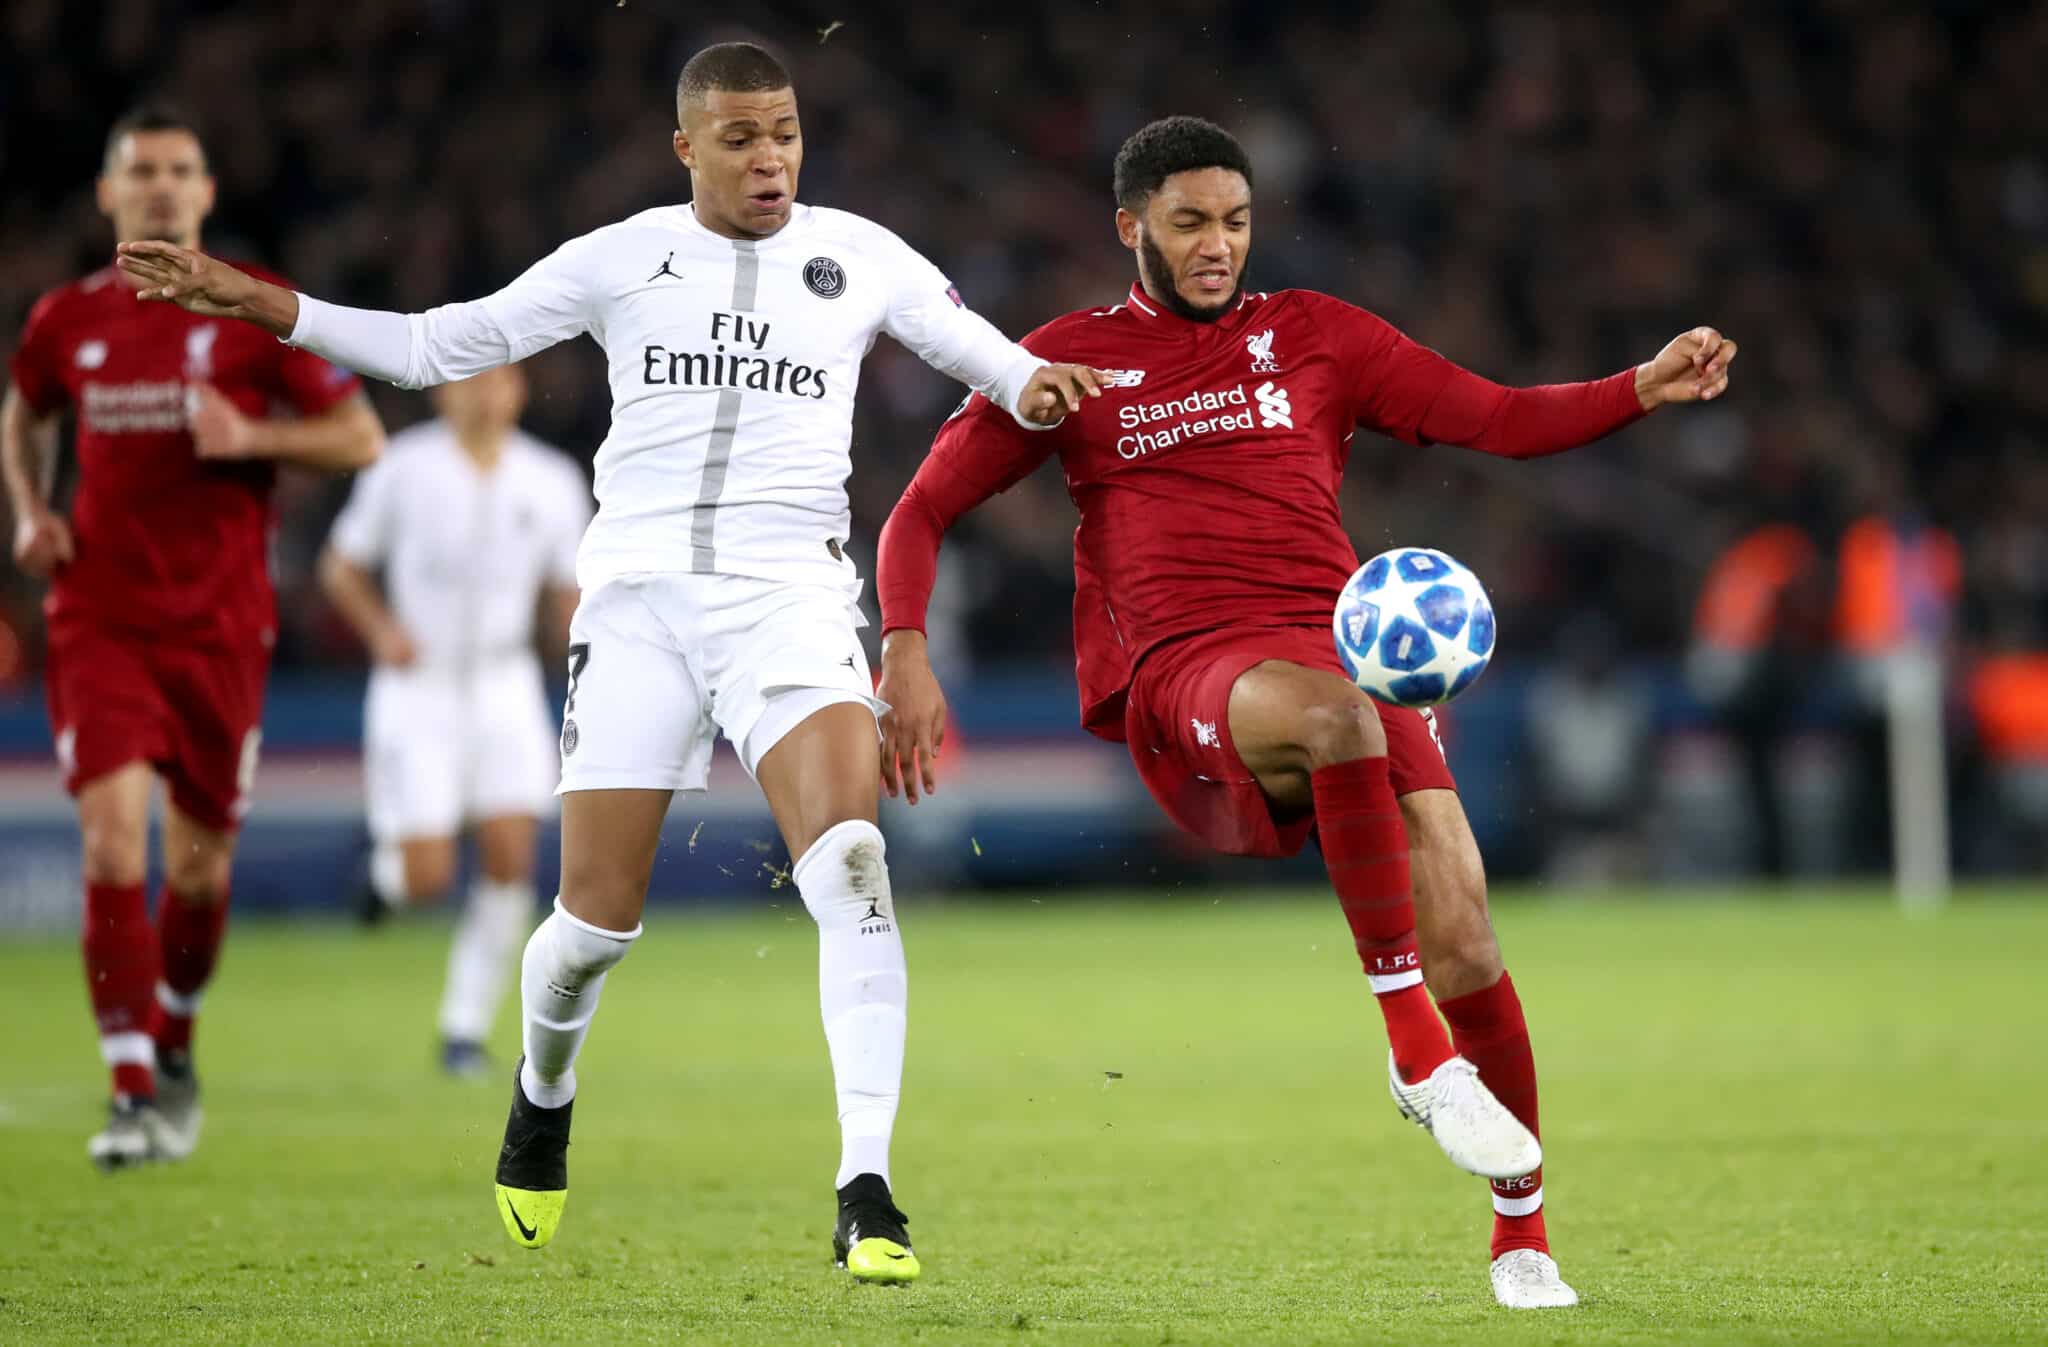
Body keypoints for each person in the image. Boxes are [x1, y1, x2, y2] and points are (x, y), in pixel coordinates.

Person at [114, 42, 1101, 1279]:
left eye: (785, 132)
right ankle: (541, 1085)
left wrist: (1057, 385)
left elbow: (1004, 371)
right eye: (740, 138)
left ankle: (866, 1186)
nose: (769, 159)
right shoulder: (619, 256)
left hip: (790, 601)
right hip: (635, 607)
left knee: (850, 863)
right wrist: (256, 298)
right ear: (685, 147)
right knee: (591, 924)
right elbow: (434, 347)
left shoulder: (865, 257)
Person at [873, 116, 1737, 1309]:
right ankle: (1405, 1043)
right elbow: (916, 513)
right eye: (1187, 223)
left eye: (1232, 220)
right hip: (1190, 670)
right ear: (1130, 229)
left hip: (1336, 651)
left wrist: (1637, 387)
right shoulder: (1067, 362)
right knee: (1336, 723)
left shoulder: (1315, 336)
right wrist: (904, 649)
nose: (1216, 244)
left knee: (1470, 940)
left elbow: (1492, 418)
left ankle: (1521, 1236)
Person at [2, 106, 383, 1171]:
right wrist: (31, 508)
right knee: (114, 845)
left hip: (220, 629)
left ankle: (172, 1036)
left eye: (180, 171)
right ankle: (130, 1088)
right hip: (100, 617)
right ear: (108, 195)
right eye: (142, 171)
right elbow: (24, 408)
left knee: (202, 874)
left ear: (206, 194)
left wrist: (255, 436)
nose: (162, 187)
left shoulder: (250, 310)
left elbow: (359, 437)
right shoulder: (65, 320)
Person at [318, 364, 589, 1077]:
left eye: (499, 380)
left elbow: (569, 590)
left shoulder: (551, 479)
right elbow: (341, 566)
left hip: (503, 681)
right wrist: (381, 633)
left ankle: (463, 1029)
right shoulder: (403, 468)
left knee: (511, 854)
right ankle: (386, 881)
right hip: (420, 684)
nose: (485, 394)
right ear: (443, 391)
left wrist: (583, 637)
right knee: (428, 874)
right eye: (470, 380)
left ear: (519, 390)